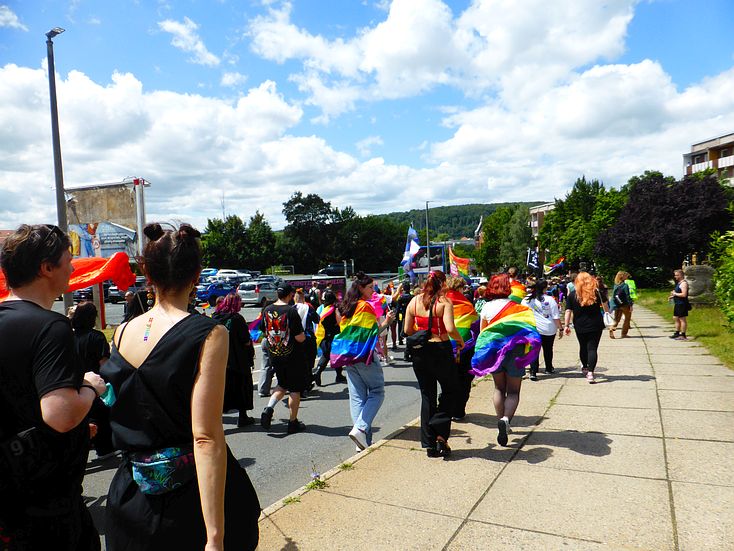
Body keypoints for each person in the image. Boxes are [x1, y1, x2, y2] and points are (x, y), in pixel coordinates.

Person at [101, 223, 260, 550]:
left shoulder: (122, 332)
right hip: (187, 499)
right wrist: (214, 536)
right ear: (197, 275)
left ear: (147, 272)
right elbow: (205, 437)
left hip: (130, 495)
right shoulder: (210, 334)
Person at [0, 224, 106, 550]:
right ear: (46, 268)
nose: (72, 269)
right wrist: (90, 388)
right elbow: (59, 414)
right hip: (48, 509)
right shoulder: (51, 327)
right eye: (67, 261)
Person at [470, 273, 540, 446]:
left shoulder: (486, 307)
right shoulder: (518, 307)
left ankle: (500, 420)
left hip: (494, 351)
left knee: (499, 388)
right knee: (514, 392)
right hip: (515, 350)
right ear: (508, 288)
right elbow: (530, 330)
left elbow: (483, 333)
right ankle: (506, 420)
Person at [331, 272, 395, 450]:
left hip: (348, 356)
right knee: (377, 392)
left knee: (357, 397)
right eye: (370, 287)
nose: (373, 290)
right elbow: (371, 334)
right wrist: (387, 322)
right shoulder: (365, 307)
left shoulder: (347, 307)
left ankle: (362, 442)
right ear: (360, 288)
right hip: (364, 355)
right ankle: (360, 429)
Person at [403, 270, 464, 458]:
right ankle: (439, 430)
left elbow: (407, 329)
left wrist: (422, 333)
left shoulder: (414, 301)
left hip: (420, 353)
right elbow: (450, 328)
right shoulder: (444, 302)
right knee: (451, 390)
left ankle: (429, 444)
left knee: (427, 395)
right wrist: (460, 340)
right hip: (440, 349)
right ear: (442, 283)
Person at [259, 284, 307, 434]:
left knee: (282, 384)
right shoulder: (291, 311)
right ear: (290, 295)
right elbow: (299, 337)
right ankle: (293, 422)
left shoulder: (267, 309)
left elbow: (263, 330)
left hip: (275, 353)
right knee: (295, 389)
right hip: (292, 356)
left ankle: (268, 408)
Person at [71, 301, 114, 458]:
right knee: (100, 415)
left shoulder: (69, 337)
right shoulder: (97, 337)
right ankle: (105, 448)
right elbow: (104, 364)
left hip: (75, 382)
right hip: (95, 382)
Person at [211, 293, 256, 427]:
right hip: (238, 359)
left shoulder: (215, 317)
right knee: (241, 387)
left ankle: (216, 417)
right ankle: (242, 416)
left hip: (220, 358)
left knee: (222, 389)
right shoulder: (237, 318)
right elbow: (245, 340)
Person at [564, 272, 610, 384]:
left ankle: (584, 366)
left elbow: (568, 311)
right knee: (592, 348)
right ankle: (590, 373)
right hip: (596, 325)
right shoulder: (597, 293)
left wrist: (566, 325)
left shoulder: (573, 295)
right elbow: (606, 307)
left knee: (583, 346)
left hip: (579, 325)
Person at [444, 276, 479, 421]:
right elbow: (475, 324)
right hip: (464, 345)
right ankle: (458, 410)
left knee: (448, 379)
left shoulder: (440, 302)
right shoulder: (466, 305)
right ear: (459, 288)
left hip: (444, 344)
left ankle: (447, 408)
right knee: (464, 378)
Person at [523, 279, 562, 381]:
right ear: (545, 288)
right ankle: (549, 368)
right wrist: (560, 328)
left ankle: (533, 371)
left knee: (534, 350)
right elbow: (555, 316)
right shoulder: (550, 300)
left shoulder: (527, 299)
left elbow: (522, 313)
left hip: (533, 328)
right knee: (548, 349)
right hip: (549, 328)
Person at [313, 290, 342, 386]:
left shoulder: (324, 310)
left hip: (323, 337)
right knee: (331, 356)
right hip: (332, 337)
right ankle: (318, 372)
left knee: (331, 355)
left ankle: (338, 375)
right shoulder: (334, 310)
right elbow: (340, 322)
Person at [294, 288, 319, 397]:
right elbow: (316, 319)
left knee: (298, 363)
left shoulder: (292, 308)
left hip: (296, 339)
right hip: (308, 338)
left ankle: (299, 385)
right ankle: (306, 384)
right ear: (303, 298)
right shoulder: (308, 308)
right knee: (309, 362)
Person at [610, 271, 633, 339]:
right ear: (622, 276)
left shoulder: (616, 285)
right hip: (625, 305)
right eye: (625, 276)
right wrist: (630, 305)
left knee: (616, 319)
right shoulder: (625, 285)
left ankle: (612, 328)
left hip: (617, 304)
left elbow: (613, 296)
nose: (627, 277)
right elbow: (627, 296)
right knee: (627, 319)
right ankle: (624, 334)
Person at [670, 269, 690, 340]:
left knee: (682, 319)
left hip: (682, 304)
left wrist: (675, 294)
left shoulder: (683, 284)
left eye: (677, 275)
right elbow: (679, 293)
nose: (675, 276)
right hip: (677, 303)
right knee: (675, 318)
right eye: (675, 275)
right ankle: (677, 333)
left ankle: (683, 335)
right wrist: (673, 296)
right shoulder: (679, 283)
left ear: (681, 275)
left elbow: (684, 294)